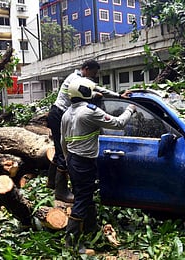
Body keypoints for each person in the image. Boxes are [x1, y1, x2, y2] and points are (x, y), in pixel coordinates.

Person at [60, 77, 136, 255]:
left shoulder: (66, 113)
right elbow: (118, 124)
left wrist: (69, 160)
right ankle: (71, 243)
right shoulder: (89, 112)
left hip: (72, 159)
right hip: (84, 162)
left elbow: (63, 142)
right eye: (90, 91)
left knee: (84, 197)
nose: (93, 93)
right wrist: (130, 109)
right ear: (84, 93)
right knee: (82, 200)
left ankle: (90, 230)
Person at [46, 59, 130, 203]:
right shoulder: (75, 79)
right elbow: (96, 90)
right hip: (59, 113)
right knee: (61, 155)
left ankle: (51, 183)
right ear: (85, 69)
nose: (93, 76)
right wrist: (116, 96)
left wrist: (111, 95)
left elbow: (95, 90)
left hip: (59, 113)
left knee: (59, 151)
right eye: (93, 73)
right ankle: (61, 191)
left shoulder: (78, 79)